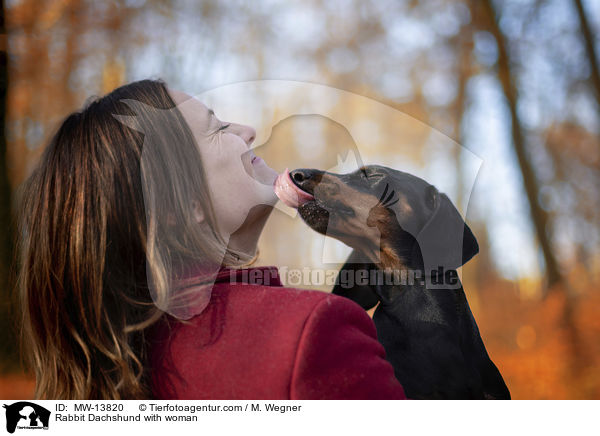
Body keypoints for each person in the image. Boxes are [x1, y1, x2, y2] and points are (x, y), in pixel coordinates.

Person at [16, 79, 406, 400]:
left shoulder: (101, 370)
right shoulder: (311, 334)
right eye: (219, 128)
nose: (248, 130)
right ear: (180, 203)